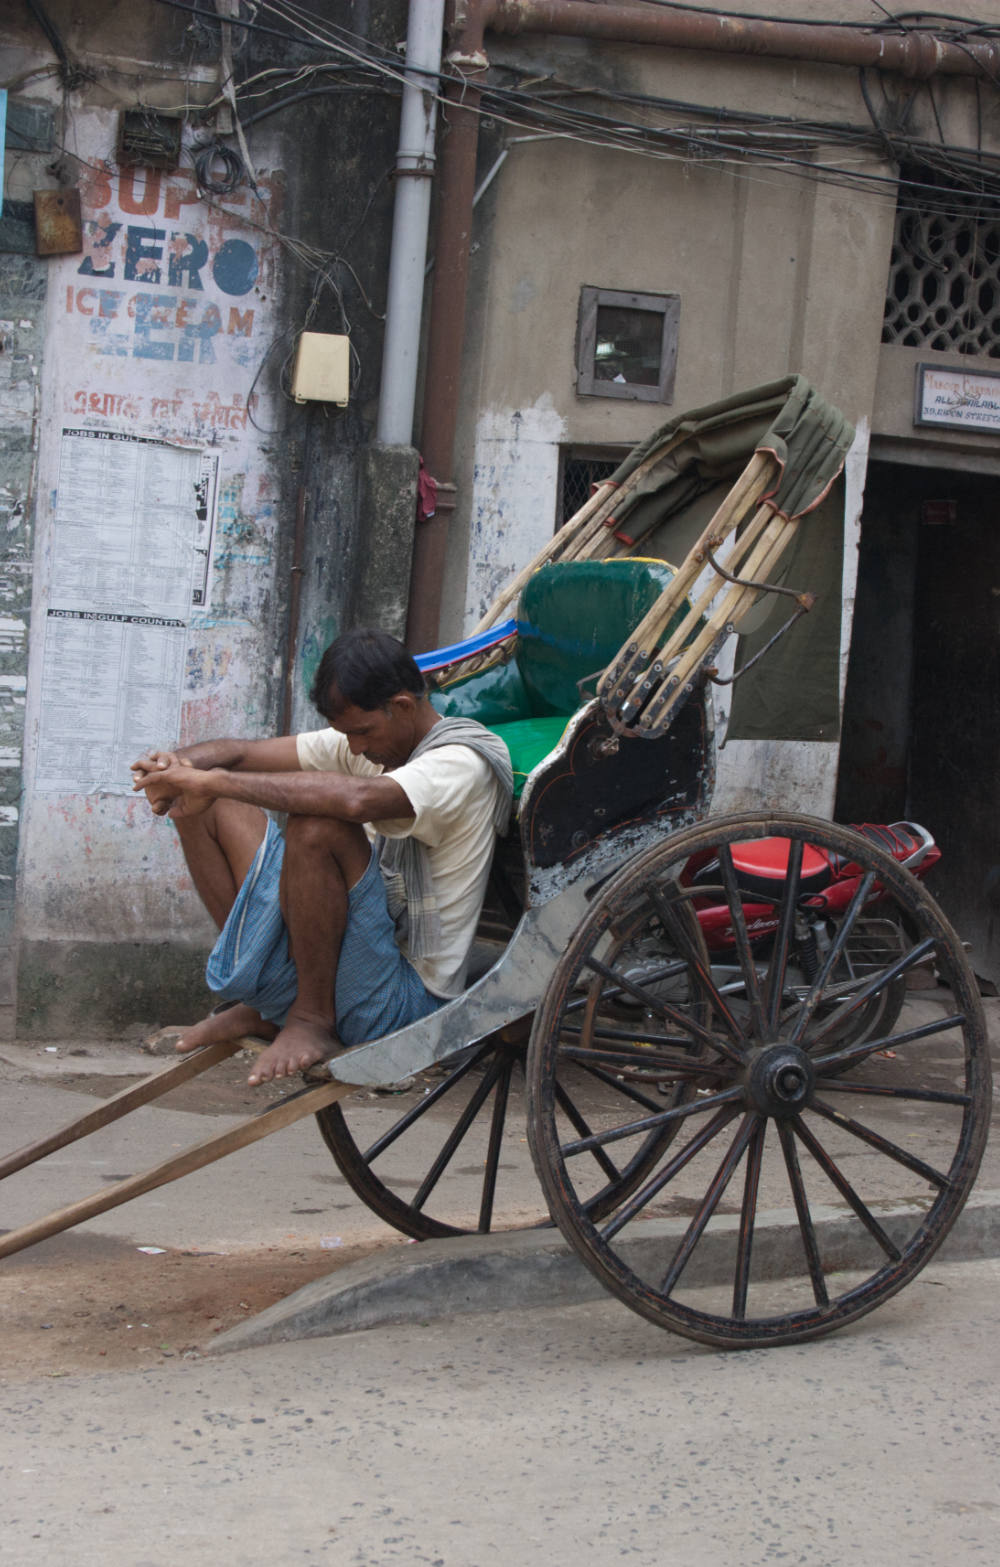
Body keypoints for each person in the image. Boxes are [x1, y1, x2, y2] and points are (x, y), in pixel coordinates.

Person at [131, 628, 513, 1087]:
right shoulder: (369, 739)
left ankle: (311, 1017)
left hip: (405, 998)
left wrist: (212, 781)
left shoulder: (460, 762)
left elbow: (356, 802)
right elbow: (241, 753)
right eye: (346, 735)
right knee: (205, 798)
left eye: (362, 732)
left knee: (316, 825)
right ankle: (269, 1002)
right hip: (358, 966)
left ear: (404, 706)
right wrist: (177, 768)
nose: (354, 748)